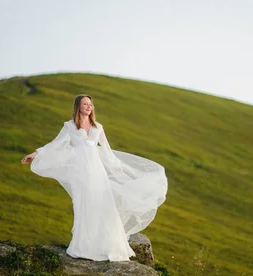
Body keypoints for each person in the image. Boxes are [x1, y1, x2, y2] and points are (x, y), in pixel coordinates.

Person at [21, 94, 167, 261]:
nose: (89, 106)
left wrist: (118, 168)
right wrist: (35, 154)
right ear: (78, 106)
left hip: (97, 172)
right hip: (80, 173)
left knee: (103, 205)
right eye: (85, 104)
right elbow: (54, 145)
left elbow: (106, 150)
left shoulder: (98, 127)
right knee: (84, 206)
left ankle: (108, 246)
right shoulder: (69, 127)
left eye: (90, 104)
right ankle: (84, 247)